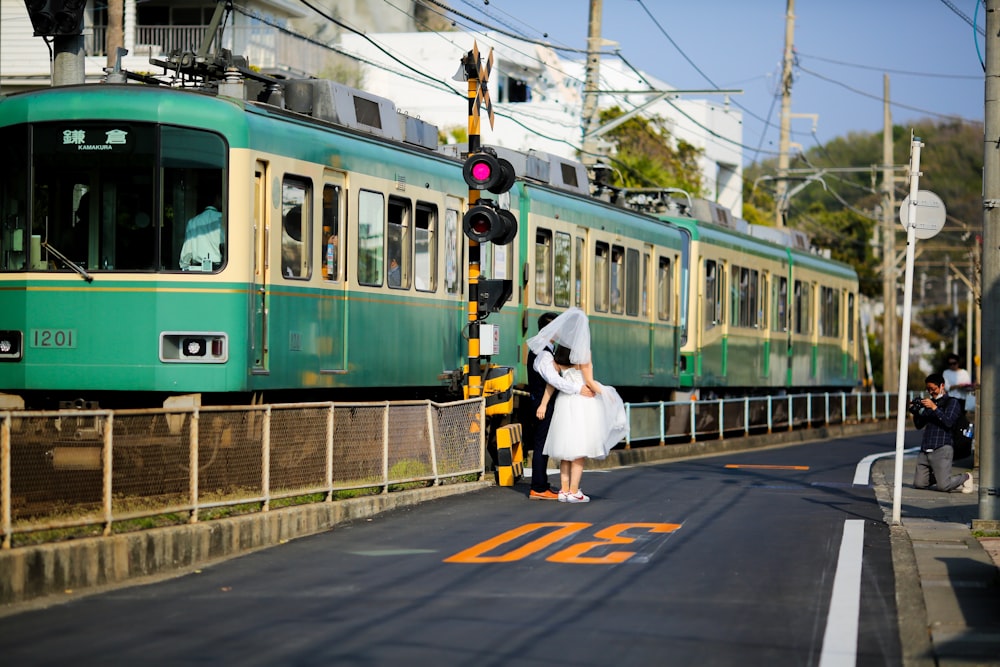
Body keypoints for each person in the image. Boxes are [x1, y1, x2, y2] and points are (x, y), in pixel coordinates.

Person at [528, 308, 628, 503]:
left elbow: (552, 382)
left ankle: (564, 491)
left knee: (565, 450)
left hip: (563, 404)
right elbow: (589, 382)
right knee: (579, 450)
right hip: (580, 403)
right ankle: (573, 491)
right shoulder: (582, 354)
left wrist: (544, 403)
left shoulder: (559, 355)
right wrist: (606, 394)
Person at [525, 312, 594, 500]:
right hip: (542, 405)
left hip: (541, 402)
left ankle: (542, 485)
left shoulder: (544, 350)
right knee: (541, 446)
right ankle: (538, 487)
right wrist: (578, 388)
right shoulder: (543, 355)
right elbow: (553, 380)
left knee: (544, 444)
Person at [911, 372, 974, 494]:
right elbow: (919, 425)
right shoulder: (929, 403)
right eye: (928, 389)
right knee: (919, 483)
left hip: (942, 447)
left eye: (933, 389)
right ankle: (942, 477)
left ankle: (965, 477)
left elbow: (948, 422)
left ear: (942, 386)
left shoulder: (952, 402)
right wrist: (916, 411)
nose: (931, 392)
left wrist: (934, 408)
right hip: (926, 448)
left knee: (943, 487)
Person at [179, 194, 223, 270]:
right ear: (217, 199)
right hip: (221, 269)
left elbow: (187, 252)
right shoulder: (223, 219)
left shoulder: (192, 222)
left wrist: (184, 266)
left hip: (198, 270)